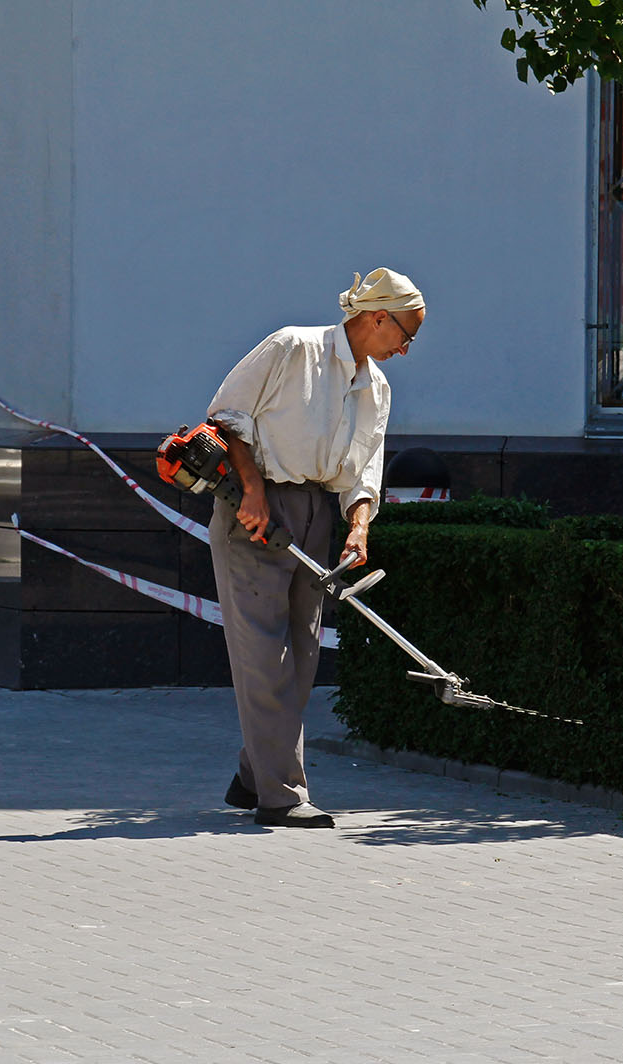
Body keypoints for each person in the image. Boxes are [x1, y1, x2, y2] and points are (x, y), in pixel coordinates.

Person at [204, 268, 424, 828]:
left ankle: (253, 775)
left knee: (301, 660)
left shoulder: (376, 387)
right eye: (406, 334)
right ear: (377, 318)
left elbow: (364, 467)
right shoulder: (290, 347)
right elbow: (227, 417)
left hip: (314, 516)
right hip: (256, 509)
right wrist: (251, 491)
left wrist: (359, 524)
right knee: (264, 659)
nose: (405, 349)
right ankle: (282, 796)